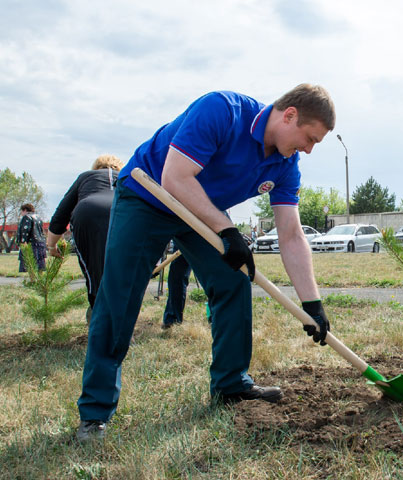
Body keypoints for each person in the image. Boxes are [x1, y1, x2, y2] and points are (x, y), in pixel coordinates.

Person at [76, 84, 335, 442]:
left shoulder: (286, 163)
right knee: (119, 298)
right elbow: (175, 177)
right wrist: (227, 230)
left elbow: (291, 234)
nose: (308, 149)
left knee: (233, 281)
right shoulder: (222, 111)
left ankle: (231, 385)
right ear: (289, 114)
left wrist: (312, 304)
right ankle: (95, 413)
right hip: (148, 193)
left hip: (199, 208)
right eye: (310, 138)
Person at [46, 155, 124, 322]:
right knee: (123, 268)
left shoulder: (85, 176)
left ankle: (99, 319)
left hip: (89, 211)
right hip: (122, 212)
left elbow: (62, 213)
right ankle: (121, 324)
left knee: (93, 270)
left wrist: (51, 246)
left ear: (96, 167)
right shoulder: (126, 176)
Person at [160, 240, 193, 329]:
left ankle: (216, 319)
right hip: (185, 234)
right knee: (178, 275)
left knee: (213, 276)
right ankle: (172, 319)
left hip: (210, 232)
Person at [17, 203, 47, 272]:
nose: (21, 213)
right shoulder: (38, 217)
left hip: (31, 243)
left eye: (21, 211)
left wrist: (23, 242)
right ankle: (40, 280)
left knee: (30, 265)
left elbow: (25, 230)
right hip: (40, 243)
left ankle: (33, 281)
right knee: (40, 266)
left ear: (25, 210)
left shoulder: (26, 217)